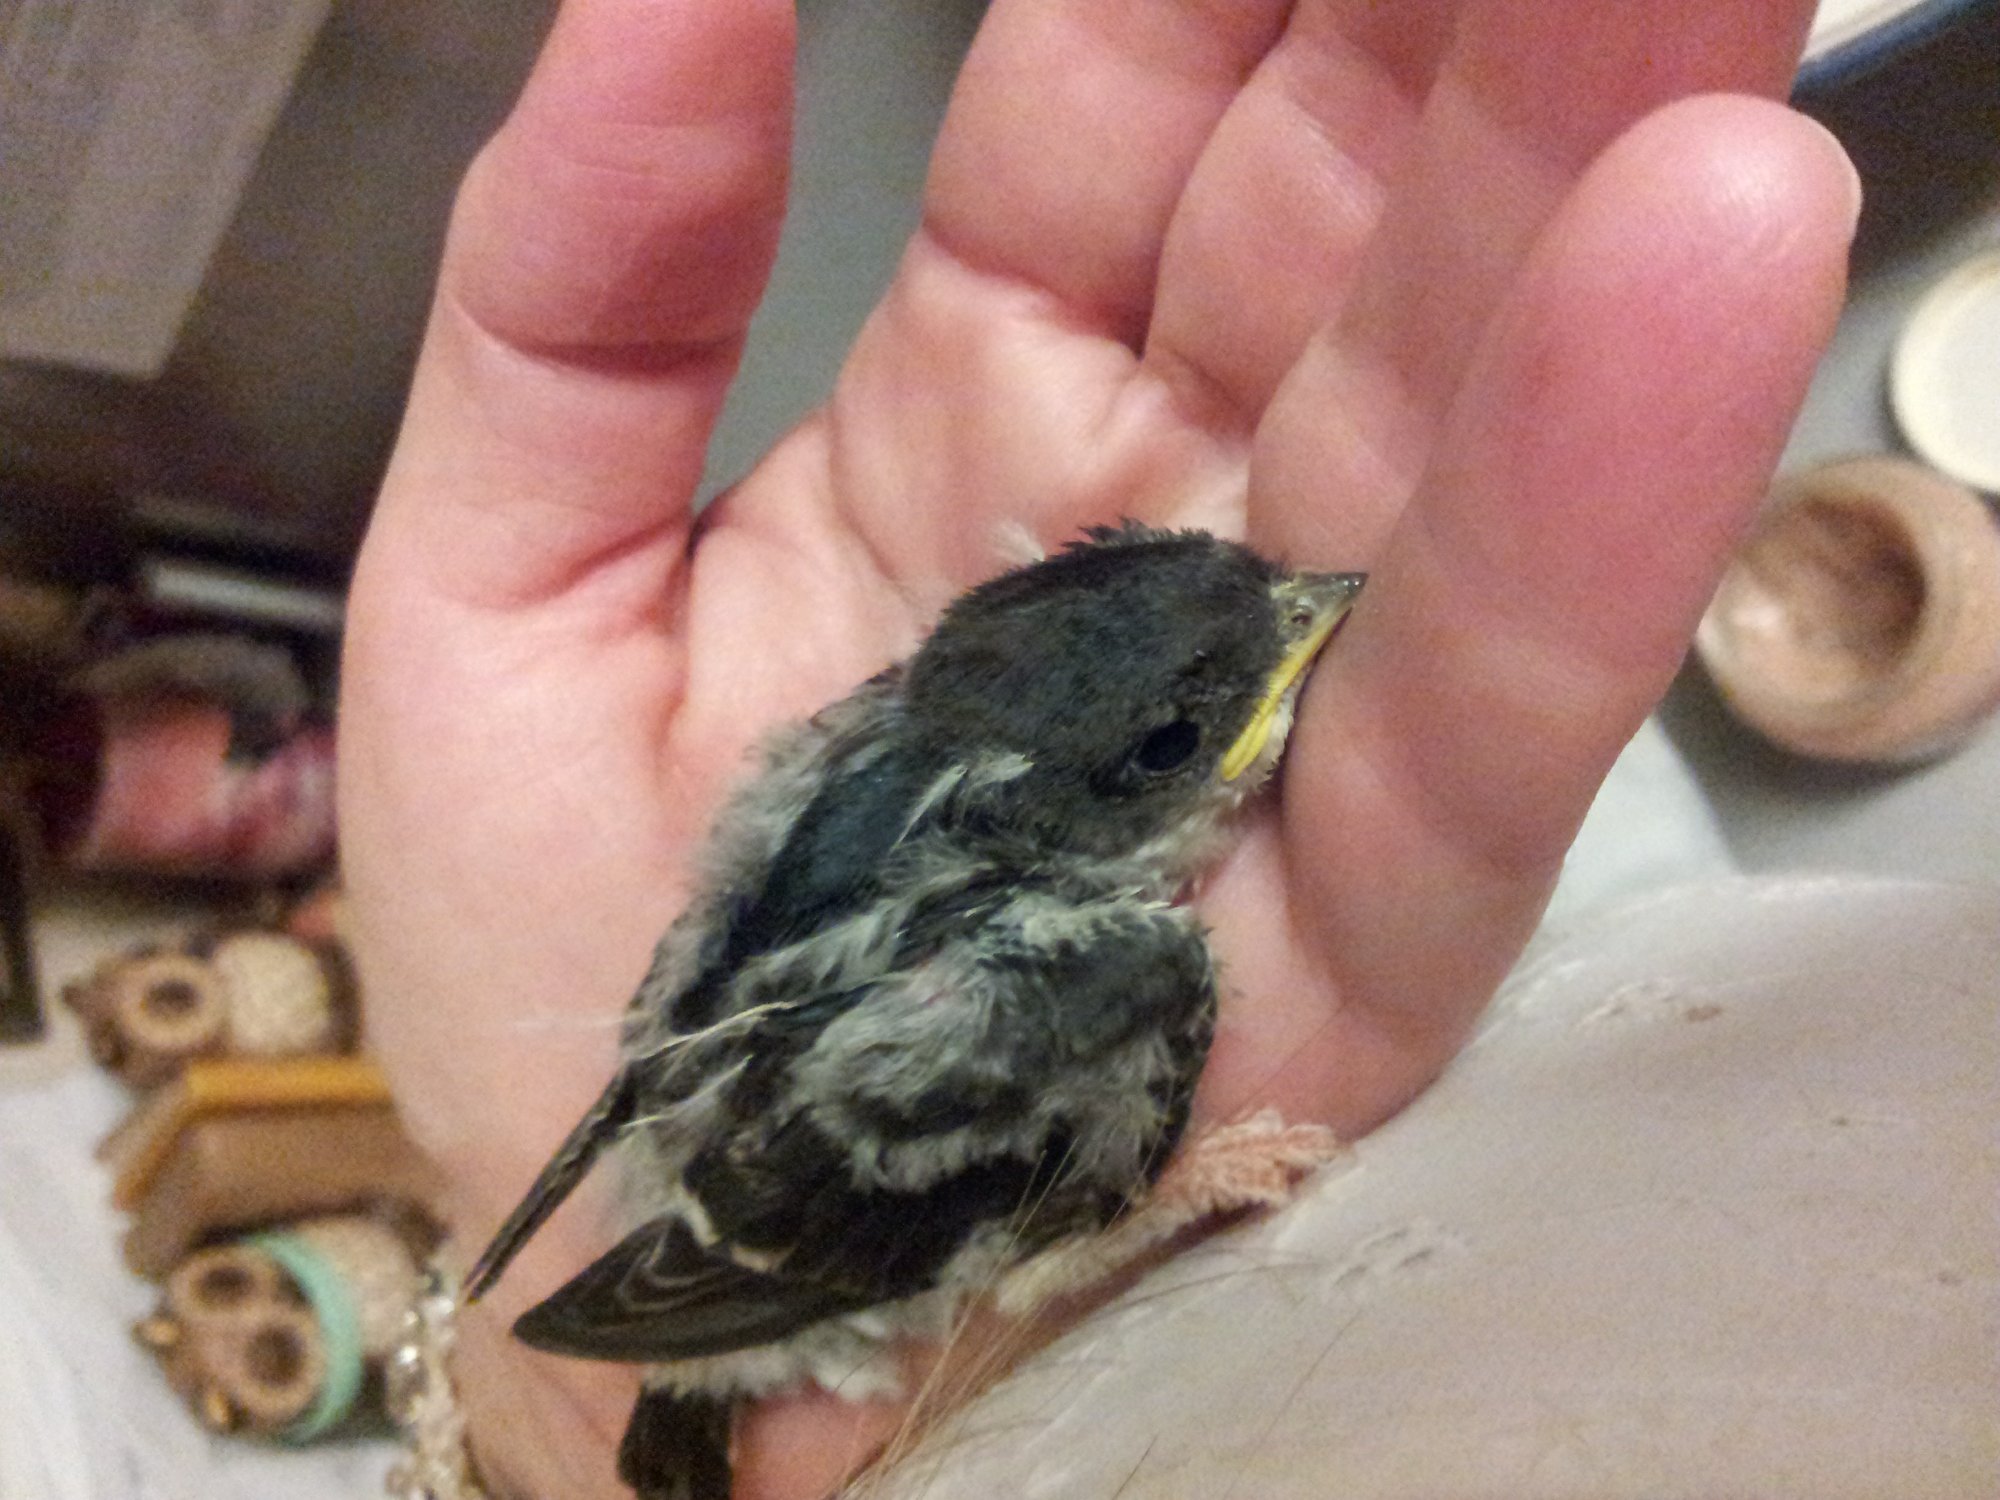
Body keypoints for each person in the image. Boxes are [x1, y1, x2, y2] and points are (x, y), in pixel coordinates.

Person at [336, 2, 1858, 1495]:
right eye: (1191, 732)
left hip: (716, 1152)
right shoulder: (1108, 987)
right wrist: (1170, 1194)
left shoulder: (878, 743)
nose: (1308, 612)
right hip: (773, 1285)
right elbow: (1008, 1240)